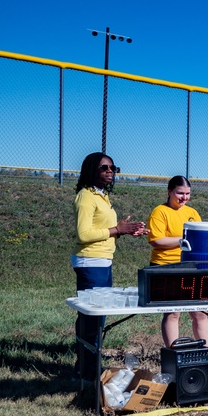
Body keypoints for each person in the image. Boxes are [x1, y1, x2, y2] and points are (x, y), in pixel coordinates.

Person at [72, 152, 148, 381]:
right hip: (90, 263)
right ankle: (87, 374)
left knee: (95, 318)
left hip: (103, 261)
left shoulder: (101, 196)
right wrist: (117, 230)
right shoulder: (86, 196)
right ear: (91, 170)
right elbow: (83, 234)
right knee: (93, 319)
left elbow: (102, 231)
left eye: (113, 168)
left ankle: (84, 369)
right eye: (104, 168)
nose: (110, 172)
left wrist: (124, 231)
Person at [147, 176, 208, 347]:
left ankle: (205, 352)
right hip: (166, 267)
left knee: (200, 313)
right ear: (169, 192)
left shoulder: (192, 213)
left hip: (191, 267)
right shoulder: (159, 212)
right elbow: (156, 241)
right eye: (180, 193)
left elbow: (201, 238)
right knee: (173, 313)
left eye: (188, 194)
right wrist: (183, 240)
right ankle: (173, 354)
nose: (184, 197)